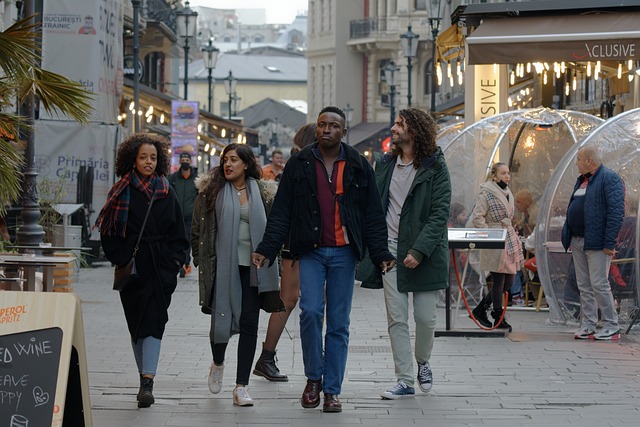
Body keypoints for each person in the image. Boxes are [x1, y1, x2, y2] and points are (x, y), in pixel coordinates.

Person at [252, 106, 395, 413]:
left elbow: (372, 213)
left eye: (333, 125)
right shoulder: (299, 163)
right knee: (311, 312)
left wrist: (380, 252)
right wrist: (266, 248)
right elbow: (282, 211)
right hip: (311, 250)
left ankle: (332, 390)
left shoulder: (358, 165)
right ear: (315, 130)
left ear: (343, 132)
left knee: (339, 324)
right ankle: (313, 378)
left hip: (345, 253)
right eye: (321, 125)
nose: (326, 129)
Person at [357, 108, 451, 400]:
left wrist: (419, 251)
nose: (394, 128)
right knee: (396, 319)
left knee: (425, 318)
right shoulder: (385, 164)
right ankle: (405, 379)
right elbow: (373, 208)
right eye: (395, 123)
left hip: (425, 254)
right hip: (390, 253)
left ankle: (423, 361)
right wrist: (378, 249)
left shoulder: (435, 167)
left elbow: (439, 214)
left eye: (400, 124)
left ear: (415, 131)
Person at [95, 134, 189, 408]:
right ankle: (143, 376)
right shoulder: (120, 191)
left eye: (153, 158)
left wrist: (173, 264)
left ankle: (148, 382)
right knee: (137, 326)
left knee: (155, 323)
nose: (149, 162)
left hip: (160, 269)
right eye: (143, 157)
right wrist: (121, 257)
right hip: (133, 270)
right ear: (132, 160)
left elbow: (178, 234)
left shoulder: (166, 190)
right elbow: (108, 232)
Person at [190, 143, 280, 406]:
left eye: (234, 160)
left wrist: (270, 254)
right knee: (220, 322)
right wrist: (200, 259)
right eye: (225, 160)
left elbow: (273, 228)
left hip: (253, 270)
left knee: (250, 323)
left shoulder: (262, 192)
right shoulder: (211, 192)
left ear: (246, 164)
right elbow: (197, 230)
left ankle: (241, 386)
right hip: (222, 268)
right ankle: (218, 361)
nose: (228, 164)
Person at [253, 123, 316, 382]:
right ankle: (267, 357)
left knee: (289, 300)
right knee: (293, 300)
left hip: (295, 241)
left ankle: (267, 357)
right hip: (302, 241)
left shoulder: (293, 166)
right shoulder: (304, 166)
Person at [562, 144, 624, 340]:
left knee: (599, 283)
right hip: (578, 239)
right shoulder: (582, 181)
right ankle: (588, 323)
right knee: (584, 285)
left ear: (588, 160)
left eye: (578, 159)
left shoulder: (609, 178)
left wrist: (609, 242)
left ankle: (611, 324)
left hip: (596, 242)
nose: (576, 163)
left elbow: (616, 212)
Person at [470, 162, 524, 332]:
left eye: (508, 173)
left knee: (509, 279)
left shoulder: (507, 192)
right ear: (494, 175)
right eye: (503, 173)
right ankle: (497, 315)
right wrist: (489, 233)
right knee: (500, 279)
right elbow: (477, 218)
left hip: (507, 238)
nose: (507, 176)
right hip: (495, 238)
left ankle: (481, 309)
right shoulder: (486, 193)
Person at [168, 152, 198, 277]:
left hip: (190, 215)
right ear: (180, 161)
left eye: (187, 159)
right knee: (175, 238)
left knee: (187, 239)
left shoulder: (196, 179)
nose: (185, 161)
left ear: (190, 162)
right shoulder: (173, 178)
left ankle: (185, 263)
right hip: (176, 214)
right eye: (183, 159)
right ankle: (178, 261)